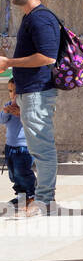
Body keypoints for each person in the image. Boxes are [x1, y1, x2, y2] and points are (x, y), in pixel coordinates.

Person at [0, 0, 61, 217]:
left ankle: (45, 201)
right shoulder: (30, 18)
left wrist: (9, 62)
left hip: (38, 91)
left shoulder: (40, 18)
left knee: (42, 149)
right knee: (38, 148)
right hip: (30, 91)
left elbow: (48, 56)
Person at [3, 78, 35, 212]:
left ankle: (32, 194)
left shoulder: (28, 108)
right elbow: (2, 120)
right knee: (13, 174)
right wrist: (6, 112)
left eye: (16, 91)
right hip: (10, 146)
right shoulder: (8, 105)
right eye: (10, 91)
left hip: (24, 146)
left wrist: (21, 113)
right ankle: (21, 196)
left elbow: (32, 122)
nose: (13, 94)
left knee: (22, 172)